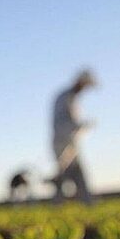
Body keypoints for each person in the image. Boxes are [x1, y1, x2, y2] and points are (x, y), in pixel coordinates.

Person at [50, 69, 96, 204]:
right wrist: (82, 125)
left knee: (77, 174)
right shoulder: (66, 97)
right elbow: (64, 123)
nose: (85, 89)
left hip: (70, 143)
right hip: (62, 143)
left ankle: (87, 203)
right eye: (85, 85)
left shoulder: (72, 98)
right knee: (64, 174)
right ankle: (58, 205)